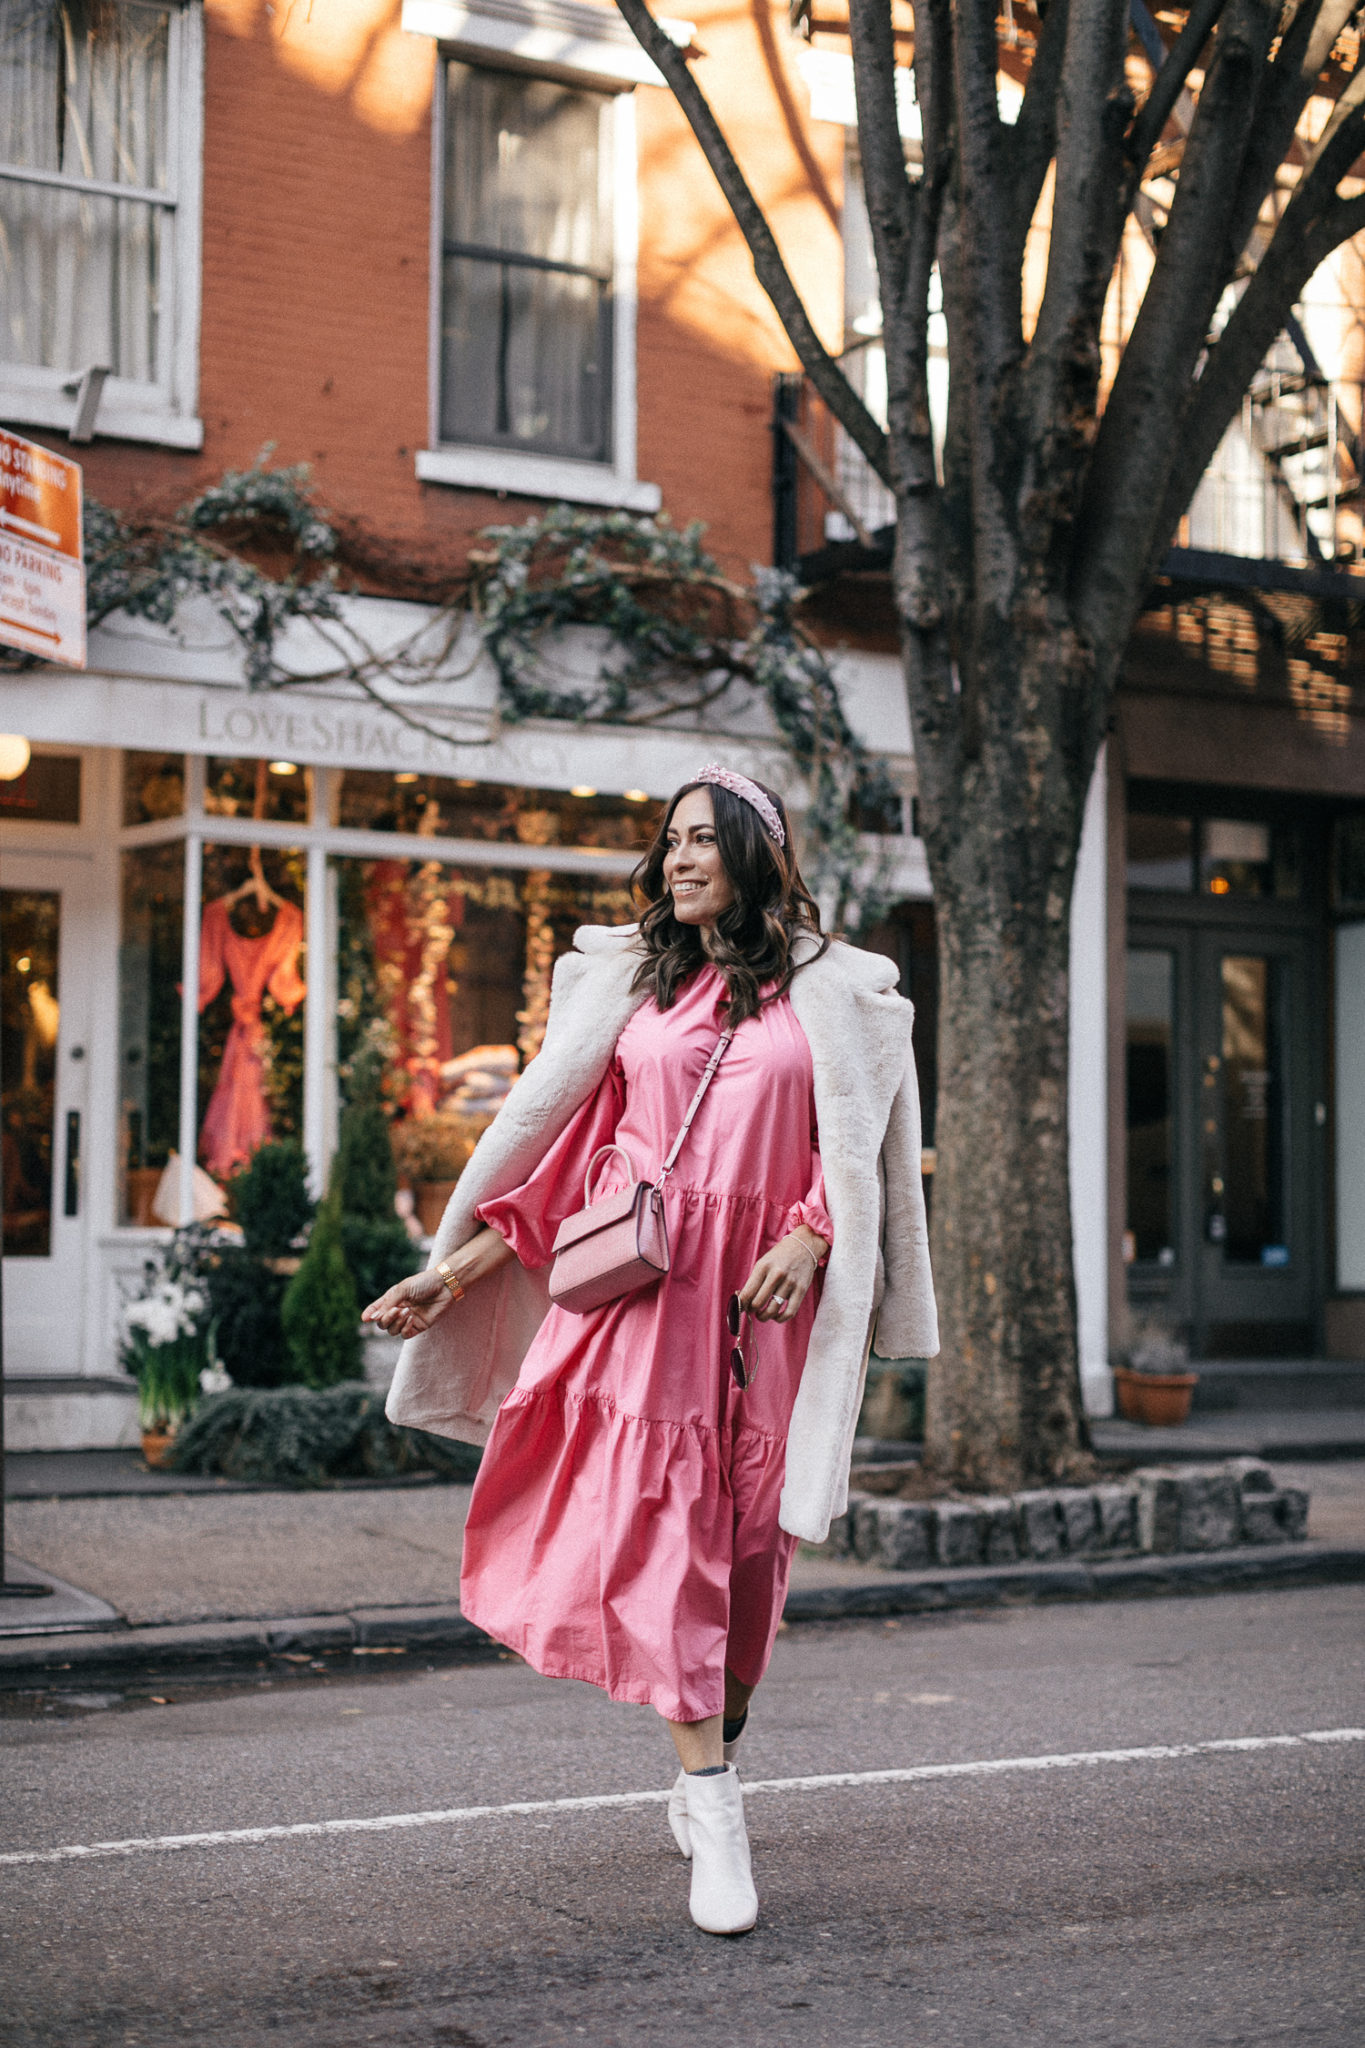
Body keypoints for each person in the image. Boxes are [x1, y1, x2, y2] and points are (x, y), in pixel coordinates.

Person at [368, 766, 937, 1935]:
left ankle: (707, 1755)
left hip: (762, 1318)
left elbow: (864, 1159)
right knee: (676, 1542)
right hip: (640, 1308)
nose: (677, 860)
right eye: (667, 842)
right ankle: (716, 1808)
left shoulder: (835, 1000)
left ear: (754, 855)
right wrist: (454, 1269)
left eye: (700, 841)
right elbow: (563, 1166)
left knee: (751, 1564)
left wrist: (814, 1235)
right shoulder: (636, 995)